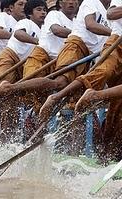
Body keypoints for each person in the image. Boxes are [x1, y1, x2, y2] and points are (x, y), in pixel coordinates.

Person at [39, 0, 122, 162]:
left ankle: (108, 154)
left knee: (117, 106)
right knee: (98, 73)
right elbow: (110, 14)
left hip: (90, 51)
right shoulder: (93, 3)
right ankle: (58, 97)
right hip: (114, 43)